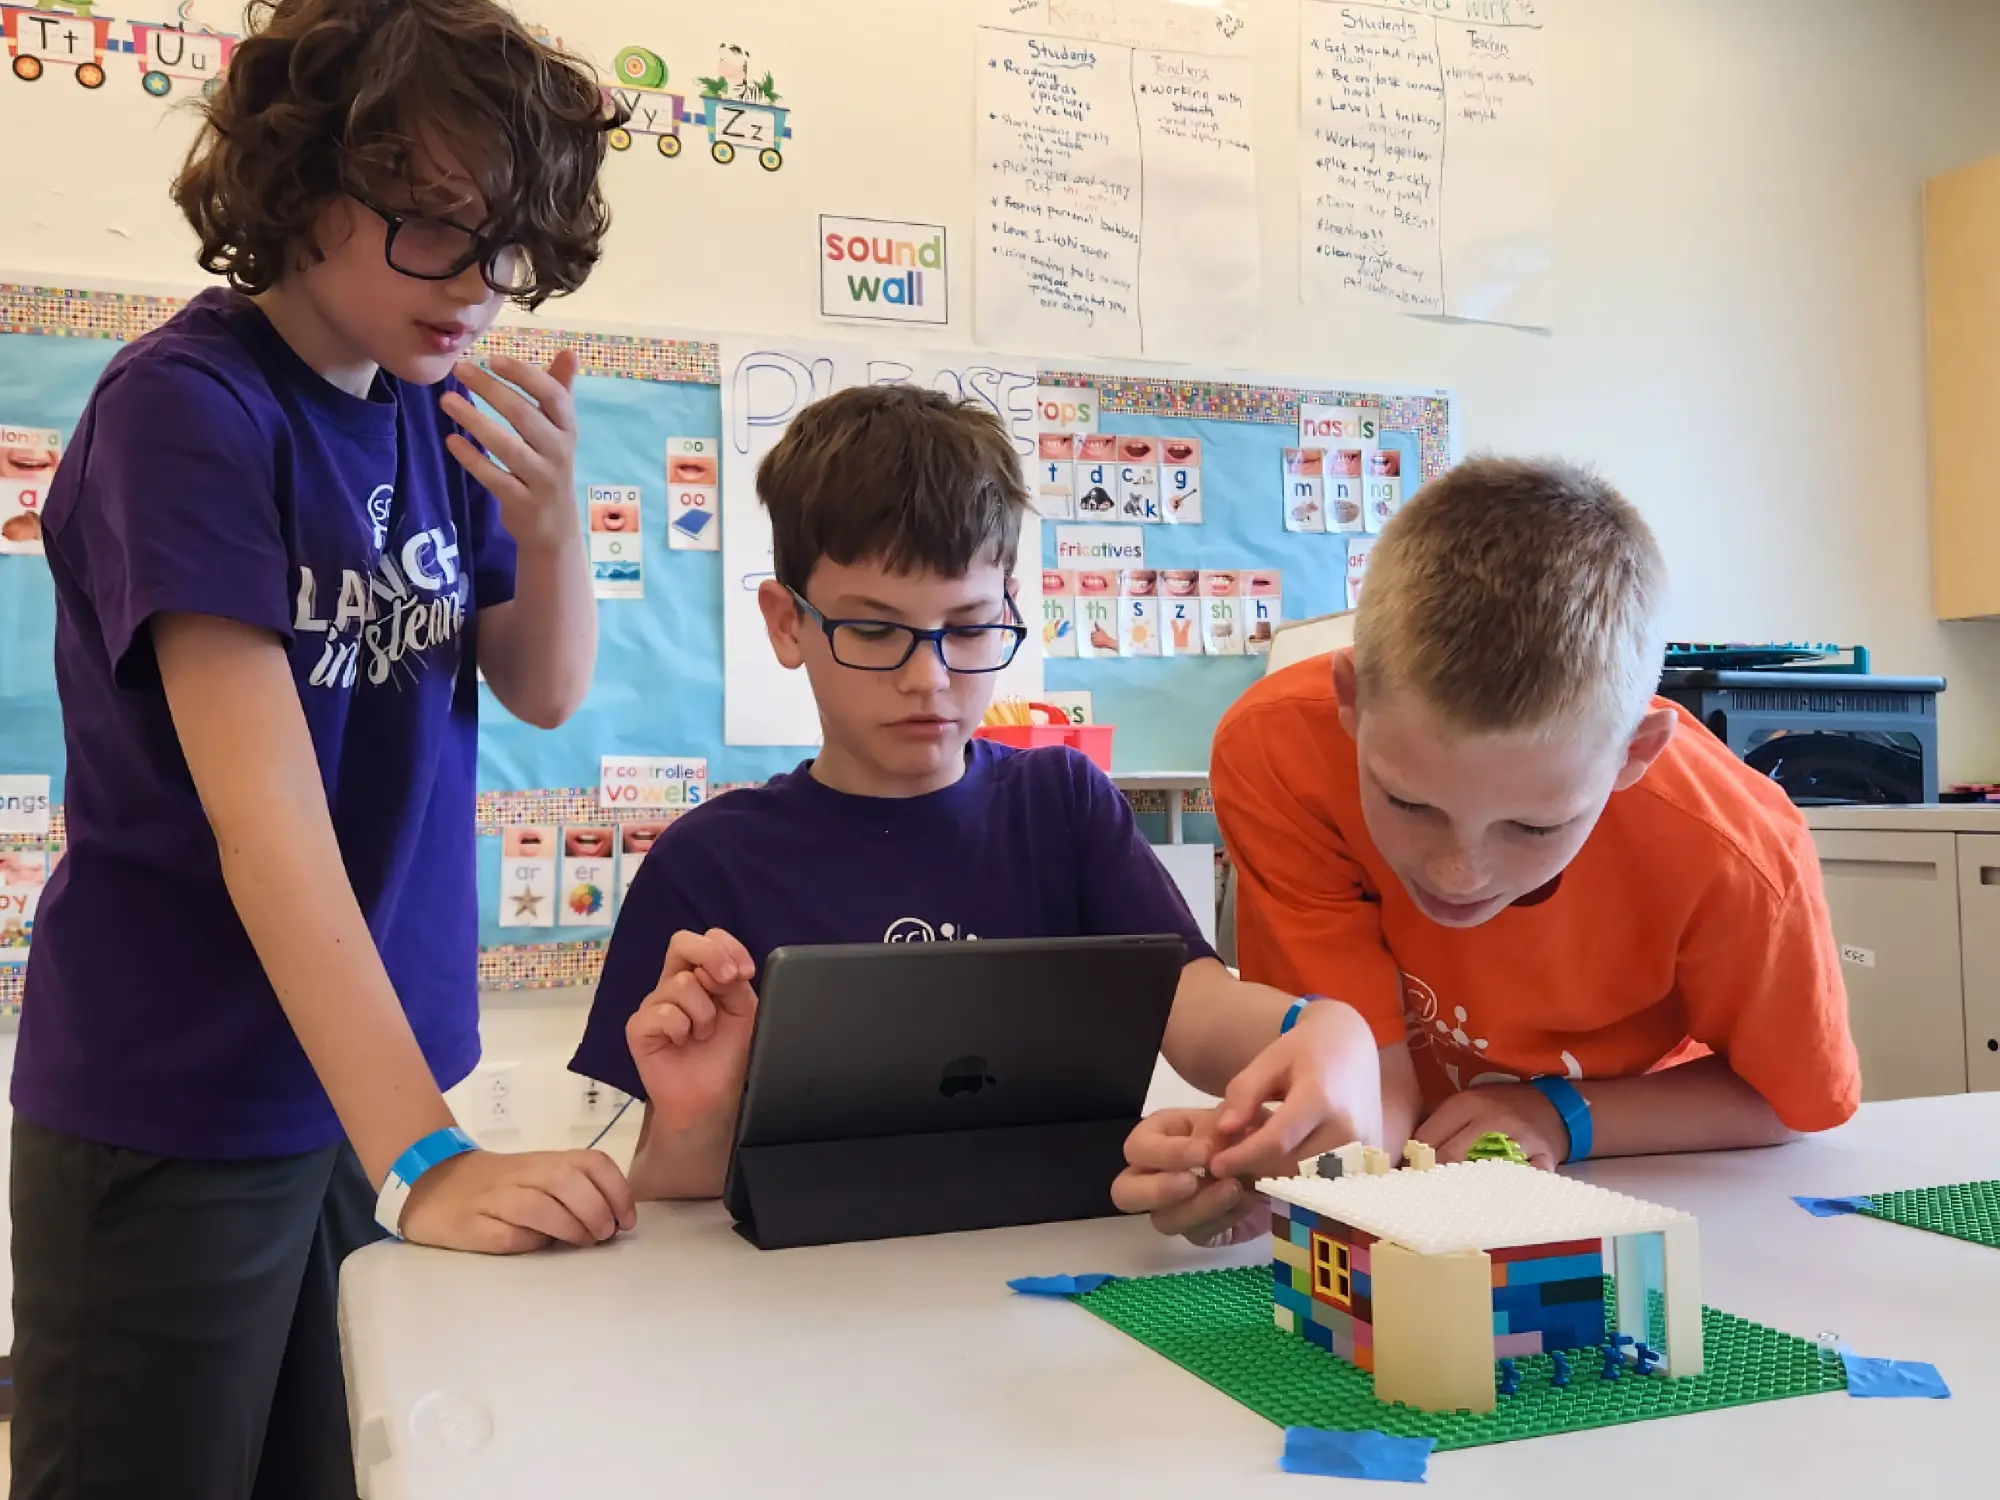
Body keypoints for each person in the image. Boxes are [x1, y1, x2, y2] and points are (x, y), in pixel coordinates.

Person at [10, 3, 636, 1494]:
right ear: (295, 184)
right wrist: (427, 1156)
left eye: (514, 249)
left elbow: (542, 689)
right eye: (434, 228)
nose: (481, 289)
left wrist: (549, 531)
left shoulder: (423, 397)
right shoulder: (189, 408)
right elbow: (269, 822)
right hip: (186, 1097)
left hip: (375, 1085)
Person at [569, 385, 1384, 1219]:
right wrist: (698, 1121)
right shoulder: (708, 864)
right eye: (875, 631)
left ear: (1010, 604)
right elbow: (671, 1202)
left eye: (967, 627)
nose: (928, 680)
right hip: (803, 1307)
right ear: (787, 624)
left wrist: (1317, 1030)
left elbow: (1195, 1004)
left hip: (1054, 1284)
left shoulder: (1061, 805)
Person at [1130, 456, 1859, 1240]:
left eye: (1535, 826)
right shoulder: (1280, 753)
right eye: (1410, 803)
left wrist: (1563, 1114)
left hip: (1639, 1185)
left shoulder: (1738, 851)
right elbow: (1369, 1066)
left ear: (1635, 754)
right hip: (1437, 1180)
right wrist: (1299, 1165)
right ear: (1351, 701)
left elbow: (1792, 1103)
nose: (1459, 872)